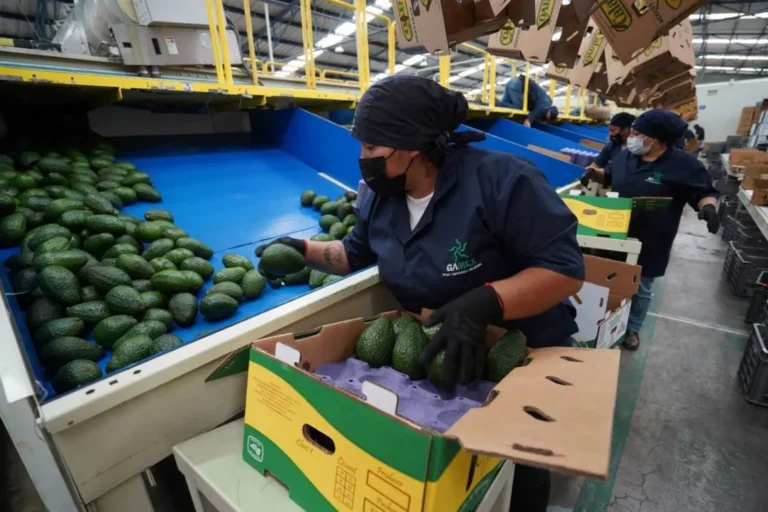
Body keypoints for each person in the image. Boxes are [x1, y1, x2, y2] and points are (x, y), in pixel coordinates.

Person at [256, 75, 585, 512]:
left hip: (522, 351)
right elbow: (353, 253)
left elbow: (563, 269)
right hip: (444, 356)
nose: (362, 159)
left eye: (372, 148)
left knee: (518, 468)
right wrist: (304, 250)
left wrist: (485, 301)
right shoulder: (379, 195)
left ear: (411, 146)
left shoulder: (501, 180)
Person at [580, 109, 720, 350]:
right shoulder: (626, 156)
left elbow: (704, 192)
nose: (631, 137)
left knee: (641, 286)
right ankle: (604, 321)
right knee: (609, 277)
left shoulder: (683, 164)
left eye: (637, 133)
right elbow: (612, 175)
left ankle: (632, 329)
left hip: (653, 237)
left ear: (655, 139)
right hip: (615, 231)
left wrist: (708, 208)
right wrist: (596, 173)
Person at [580, 112, 635, 186]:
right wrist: (590, 171)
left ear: (627, 129)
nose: (610, 134)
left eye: (613, 130)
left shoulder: (638, 149)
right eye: (609, 130)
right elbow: (597, 164)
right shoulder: (612, 146)